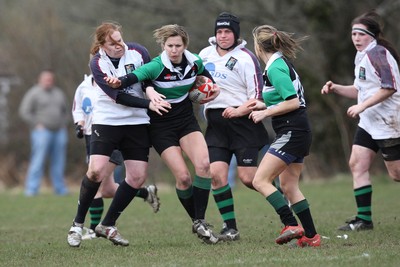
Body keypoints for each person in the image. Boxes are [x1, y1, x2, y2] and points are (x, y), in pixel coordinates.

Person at [105, 24, 221, 244]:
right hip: (161, 126)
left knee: (205, 165)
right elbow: (134, 77)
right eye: (170, 46)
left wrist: (214, 88)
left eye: (178, 45)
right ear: (163, 46)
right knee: (184, 178)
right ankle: (198, 221)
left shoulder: (195, 61)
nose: (174, 50)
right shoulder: (156, 66)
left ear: (185, 45)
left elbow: (206, 78)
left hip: (186, 120)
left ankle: (200, 221)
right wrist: (117, 81)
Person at [67, 21, 170, 248]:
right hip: (108, 121)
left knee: (136, 177)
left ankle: (108, 224)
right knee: (95, 172)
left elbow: (149, 78)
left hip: (136, 123)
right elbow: (117, 96)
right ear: (102, 45)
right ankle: (77, 224)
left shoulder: (138, 52)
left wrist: (151, 93)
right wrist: (147, 104)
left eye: (120, 40)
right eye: (112, 43)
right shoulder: (97, 63)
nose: (118, 46)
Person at [321, 11, 400, 231]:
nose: (356, 38)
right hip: (369, 122)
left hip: (388, 121)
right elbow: (360, 89)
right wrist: (336, 87)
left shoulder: (379, 54)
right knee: (357, 164)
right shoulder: (362, 56)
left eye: (361, 34)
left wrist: (362, 106)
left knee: (396, 175)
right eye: (354, 33)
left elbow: (389, 88)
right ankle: (364, 220)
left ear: (372, 36)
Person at [198, 12, 269, 241]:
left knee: (250, 179)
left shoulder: (246, 58)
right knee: (217, 177)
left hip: (242, 124)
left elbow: (258, 97)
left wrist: (240, 110)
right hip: (217, 127)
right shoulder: (204, 55)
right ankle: (230, 227)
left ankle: (286, 203)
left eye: (227, 32)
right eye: (219, 31)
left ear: (236, 34)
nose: (223, 36)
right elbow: (194, 84)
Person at [248, 25, 321, 247]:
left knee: (260, 180)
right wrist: (264, 103)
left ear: (259, 46)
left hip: (292, 130)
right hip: (297, 130)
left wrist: (265, 112)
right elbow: (284, 97)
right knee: (289, 186)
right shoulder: (278, 64)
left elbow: (293, 101)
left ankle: (290, 224)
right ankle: (311, 236)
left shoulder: (275, 68)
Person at [72, 73, 161, 240]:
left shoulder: (114, 82)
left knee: (96, 183)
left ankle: (93, 230)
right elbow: (78, 108)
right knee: (108, 189)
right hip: (92, 137)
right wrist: (79, 124)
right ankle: (144, 193)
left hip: (110, 134)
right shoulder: (83, 86)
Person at [19, 70, 69, 196]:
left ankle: (60, 189)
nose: (48, 81)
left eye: (50, 79)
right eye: (46, 79)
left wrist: (64, 124)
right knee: (38, 160)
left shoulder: (59, 93)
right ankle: (31, 189)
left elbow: (66, 111)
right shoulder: (33, 93)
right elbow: (24, 112)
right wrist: (36, 124)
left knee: (59, 161)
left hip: (59, 131)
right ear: (40, 79)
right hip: (42, 132)